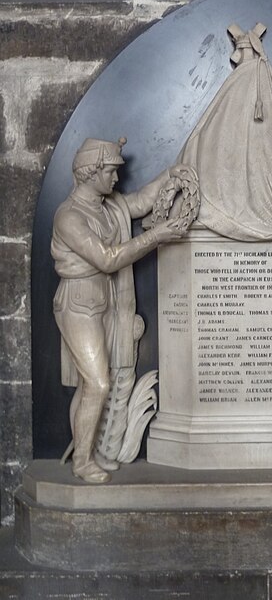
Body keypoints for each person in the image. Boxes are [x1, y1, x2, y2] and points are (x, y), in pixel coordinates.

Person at [51, 137, 188, 483]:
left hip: (108, 299)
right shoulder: (69, 216)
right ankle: (83, 462)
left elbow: (140, 202)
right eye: (111, 172)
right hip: (79, 303)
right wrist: (156, 236)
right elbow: (107, 259)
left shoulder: (108, 206)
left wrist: (169, 174)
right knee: (97, 383)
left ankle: (90, 450)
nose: (115, 179)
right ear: (90, 172)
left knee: (91, 384)